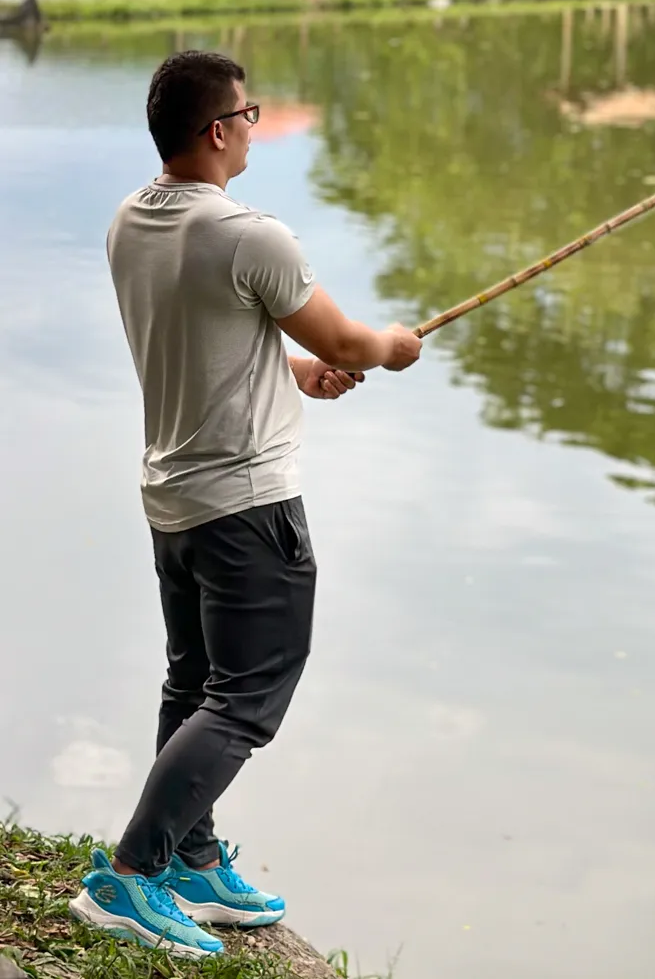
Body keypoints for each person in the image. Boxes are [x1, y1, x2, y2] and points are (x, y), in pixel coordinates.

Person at [68, 51, 422, 959]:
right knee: (247, 699)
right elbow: (351, 335)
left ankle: (188, 855)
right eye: (249, 113)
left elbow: (213, 332)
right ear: (219, 130)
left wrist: (296, 371)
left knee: (194, 685)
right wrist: (392, 344)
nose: (256, 125)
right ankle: (133, 873)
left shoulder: (132, 221)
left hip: (175, 500)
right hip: (246, 505)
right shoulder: (249, 234)